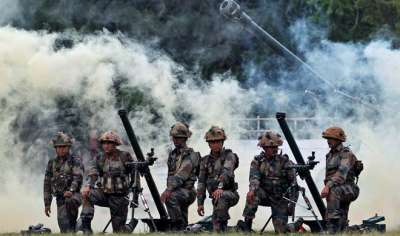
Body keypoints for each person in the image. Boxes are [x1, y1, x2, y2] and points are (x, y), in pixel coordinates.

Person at [241, 130, 298, 233]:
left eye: (275, 147)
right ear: (264, 148)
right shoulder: (257, 162)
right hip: (265, 195)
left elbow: (294, 185)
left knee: (281, 231)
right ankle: (247, 227)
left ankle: (295, 226)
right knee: (253, 195)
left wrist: (292, 205)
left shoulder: (285, 161)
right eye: (271, 147)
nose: (274, 150)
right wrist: (252, 190)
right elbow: (254, 178)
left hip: (280, 198)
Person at [80, 131, 134, 233]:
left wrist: (134, 192)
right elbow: (93, 172)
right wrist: (88, 185)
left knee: (119, 231)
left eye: (109, 143)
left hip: (120, 198)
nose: (106, 146)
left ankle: (130, 226)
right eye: (104, 143)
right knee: (87, 194)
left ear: (115, 144)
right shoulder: (100, 157)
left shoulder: (124, 156)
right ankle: (86, 227)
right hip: (104, 194)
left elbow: (134, 173)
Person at [197, 126, 239, 232]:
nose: (215, 144)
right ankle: (231, 229)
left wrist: (220, 187)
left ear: (222, 142)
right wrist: (200, 203)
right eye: (212, 142)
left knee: (221, 197)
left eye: (218, 141)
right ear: (209, 143)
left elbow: (227, 171)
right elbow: (201, 182)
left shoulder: (229, 155)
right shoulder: (205, 161)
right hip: (215, 198)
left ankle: (223, 228)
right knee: (215, 226)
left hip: (230, 193)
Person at [321, 127, 362, 233]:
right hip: (339, 188)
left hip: (349, 188)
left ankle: (331, 228)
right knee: (342, 229)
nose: (328, 141)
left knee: (333, 191)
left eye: (330, 139)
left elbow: (341, 174)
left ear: (338, 140)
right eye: (327, 139)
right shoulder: (330, 155)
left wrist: (327, 186)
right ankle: (358, 230)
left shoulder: (346, 154)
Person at [160, 122, 201, 231]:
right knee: (181, 213)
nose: (175, 140)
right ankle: (183, 228)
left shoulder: (191, 155)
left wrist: (168, 190)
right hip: (177, 190)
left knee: (171, 197)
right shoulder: (173, 154)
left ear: (185, 139)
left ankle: (177, 226)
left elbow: (181, 175)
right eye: (174, 138)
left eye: (178, 138)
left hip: (188, 191)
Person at [44, 132, 84, 233]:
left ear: (68, 147)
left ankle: (78, 224)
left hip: (74, 195)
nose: (61, 149)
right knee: (64, 229)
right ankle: (77, 226)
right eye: (58, 147)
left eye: (63, 147)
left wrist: (71, 190)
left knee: (70, 202)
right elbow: (47, 183)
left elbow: (78, 178)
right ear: (55, 148)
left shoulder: (75, 160)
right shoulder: (52, 163)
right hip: (60, 198)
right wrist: (47, 204)